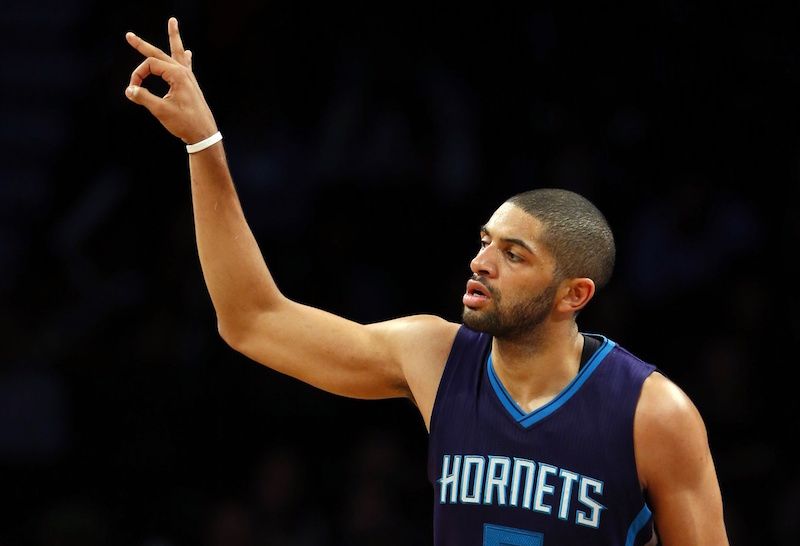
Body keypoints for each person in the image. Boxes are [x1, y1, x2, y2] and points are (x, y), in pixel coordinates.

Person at [124, 17, 730, 546]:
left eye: (513, 255)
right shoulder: (434, 356)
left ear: (574, 294)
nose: (481, 262)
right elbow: (252, 320)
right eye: (485, 241)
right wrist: (204, 144)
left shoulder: (654, 413)